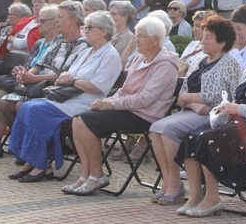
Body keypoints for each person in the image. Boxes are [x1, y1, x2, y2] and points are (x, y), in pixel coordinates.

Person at [175, 23, 246, 217]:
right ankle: (196, 196)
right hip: (236, 122)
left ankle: (212, 198)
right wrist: (226, 107)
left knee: (207, 139)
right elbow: (236, 101)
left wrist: (239, 108)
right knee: (191, 136)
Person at [63, 16, 178, 195]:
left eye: (141, 36)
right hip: (128, 109)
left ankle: (97, 175)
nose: (136, 40)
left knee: (86, 120)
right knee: (78, 119)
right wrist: (108, 101)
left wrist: (112, 105)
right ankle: (86, 174)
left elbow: (145, 99)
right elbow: (124, 90)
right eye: (136, 36)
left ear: (155, 40)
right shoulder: (139, 59)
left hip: (145, 116)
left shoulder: (165, 65)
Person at [8, 10, 121, 182]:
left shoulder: (111, 55)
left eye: (90, 27)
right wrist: (66, 77)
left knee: (36, 111)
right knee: (26, 107)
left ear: (104, 31)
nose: (86, 30)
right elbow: (68, 72)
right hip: (66, 97)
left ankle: (40, 165)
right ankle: (34, 161)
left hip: (85, 102)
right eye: (85, 27)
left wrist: (72, 80)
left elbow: (98, 86)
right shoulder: (87, 51)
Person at [0, 4, 85, 159]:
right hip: (36, 85)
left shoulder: (82, 44)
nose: (56, 21)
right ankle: (9, 145)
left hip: (55, 90)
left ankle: (30, 150)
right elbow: (39, 64)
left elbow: (65, 74)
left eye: (60, 17)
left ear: (73, 20)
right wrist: (24, 74)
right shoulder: (55, 42)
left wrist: (32, 78)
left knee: (16, 103)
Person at [149, 15, 240, 205]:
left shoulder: (229, 63)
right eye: (204, 36)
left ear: (222, 42)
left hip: (216, 116)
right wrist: (194, 103)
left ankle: (175, 185)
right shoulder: (199, 60)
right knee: (155, 129)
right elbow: (182, 96)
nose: (203, 41)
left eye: (208, 37)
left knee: (166, 130)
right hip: (194, 111)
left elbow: (223, 96)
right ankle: (168, 182)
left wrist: (192, 99)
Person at [179, 10, 215, 74]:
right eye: (194, 25)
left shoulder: (212, 49)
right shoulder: (192, 44)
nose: (194, 29)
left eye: (197, 26)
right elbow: (181, 62)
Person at [229, 4, 246, 70]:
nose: (235, 33)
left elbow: (244, 72)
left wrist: (234, 49)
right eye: (233, 28)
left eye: (239, 29)